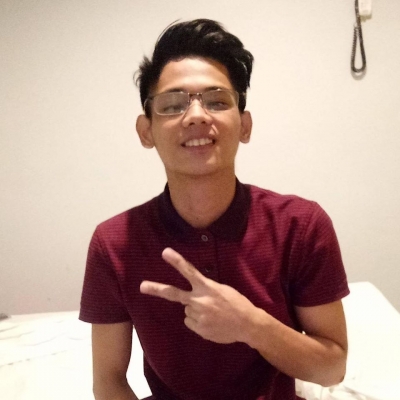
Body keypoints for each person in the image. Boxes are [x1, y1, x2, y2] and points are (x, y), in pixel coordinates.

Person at [79, 19, 349, 400]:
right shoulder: (114, 243)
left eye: (218, 101)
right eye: (173, 105)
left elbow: (332, 368)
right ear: (146, 131)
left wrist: (250, 324)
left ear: (245, 126)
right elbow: (108, 381)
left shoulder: (301, 226)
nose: (196, 116)